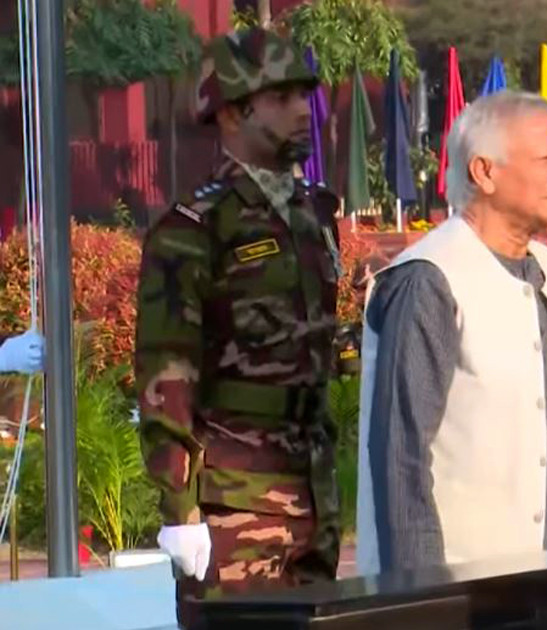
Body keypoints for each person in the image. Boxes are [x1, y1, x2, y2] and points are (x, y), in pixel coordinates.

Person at [134, 27, 340, 624]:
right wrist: (180, 510)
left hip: (312, 489)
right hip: (232, 502)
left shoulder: (315, 214)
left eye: (305, 95)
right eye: (281, 97)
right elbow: (166, 372)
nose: (304, 110)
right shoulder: (193, 228)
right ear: (231, 112)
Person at [355, 91, 547, 574]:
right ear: (483, 172)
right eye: (545, 158)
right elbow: (401, 458)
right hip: (467, 591)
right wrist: (425, 601)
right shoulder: (429, 278)